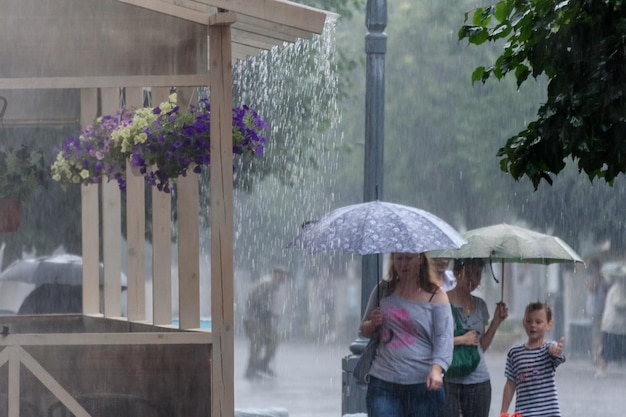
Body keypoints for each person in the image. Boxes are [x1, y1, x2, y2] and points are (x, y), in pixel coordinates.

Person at [360, 252, 453, 417]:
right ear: (393, 261)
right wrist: (373, 323)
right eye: (399, 259)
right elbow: (364, 330)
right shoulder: (383, 290)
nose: (404, 264)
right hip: (383, 383)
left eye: (409, 258)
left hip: (422, 384)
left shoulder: (436, 295)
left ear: (420, 259)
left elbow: (444, 338)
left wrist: (437, 369)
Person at [440, 258, 508, 417]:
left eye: (477, 274)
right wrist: (461, 340)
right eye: (468, 273)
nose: (473, 279)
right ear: (457, 273)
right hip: (449, 377)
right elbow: (434, 343)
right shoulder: (442, 301)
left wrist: (496, 323)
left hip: (478, 381)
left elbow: (481, 347)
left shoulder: (480, 305)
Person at [500, 301, 565, 417]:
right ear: (524, 323)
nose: (533, 325)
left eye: (538, 322)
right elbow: (510, 384)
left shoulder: (548, 349)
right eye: (529, 321)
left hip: (549, 413)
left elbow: (552, 351)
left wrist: (555, 351)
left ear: (549, 324)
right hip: (524, 413)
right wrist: (503, 412)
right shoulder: (515, 353)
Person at [243, 267, 288, 379]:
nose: (284, 278)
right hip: (254, 319)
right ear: (277, 274)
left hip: (262, 319)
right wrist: (263, 313)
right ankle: (251, 368)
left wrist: (270, 315)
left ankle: (263, 364)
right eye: (282, 275)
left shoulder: (273, 286)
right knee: (256, 342)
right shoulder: (267, 284)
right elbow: (254, 300)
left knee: (272, 338)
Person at [595, 264, 626, 378]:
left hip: (615, 326)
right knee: (607, 349)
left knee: (609, 348)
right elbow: (619, 304)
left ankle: (601, 369)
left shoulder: (617, 286)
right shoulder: (620, 287)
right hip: (614, 326)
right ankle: (601, 369)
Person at [585, 258, 609, 363]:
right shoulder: (590, 278)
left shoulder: (603, 278)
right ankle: (595, 355)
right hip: (594, 309)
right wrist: (597, 279)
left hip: (603, 308)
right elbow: (591, 288)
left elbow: (606, 290)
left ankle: (598, 354)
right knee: (596, 333)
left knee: (600, 333)